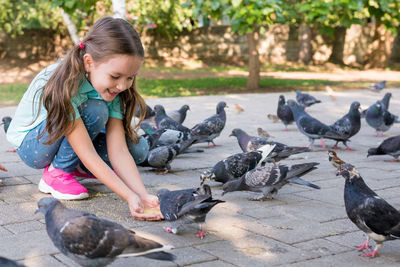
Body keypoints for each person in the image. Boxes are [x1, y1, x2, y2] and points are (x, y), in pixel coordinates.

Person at [6, 17, 162, 220]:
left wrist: (141, 195)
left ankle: (76, 166)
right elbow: (86, 150)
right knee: (95, 109)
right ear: (89, 62)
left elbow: (119, 150)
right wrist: (127, 196)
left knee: (138, 150)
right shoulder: (63, 82)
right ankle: (56, 174)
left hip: (68, 137)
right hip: (33, 146)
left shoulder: (115, 89)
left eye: (130, 77)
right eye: (116, 77)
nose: (123, 86)